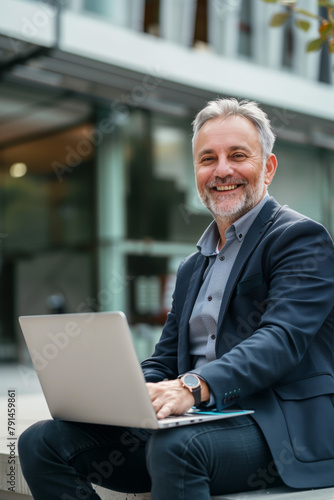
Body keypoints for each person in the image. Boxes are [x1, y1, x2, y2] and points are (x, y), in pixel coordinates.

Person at [18, 98, 334, 500]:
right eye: (207, 159)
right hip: (198, 420)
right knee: (42, 442)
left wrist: (193, 385)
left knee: (177, 448)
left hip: (278, 427)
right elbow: (166, 358)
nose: (222, 170)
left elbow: (281, 339)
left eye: (238, 156)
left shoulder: (300, 239)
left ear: (268, 168)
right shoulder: (193, 265)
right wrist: (124, 395)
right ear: (196, 173)